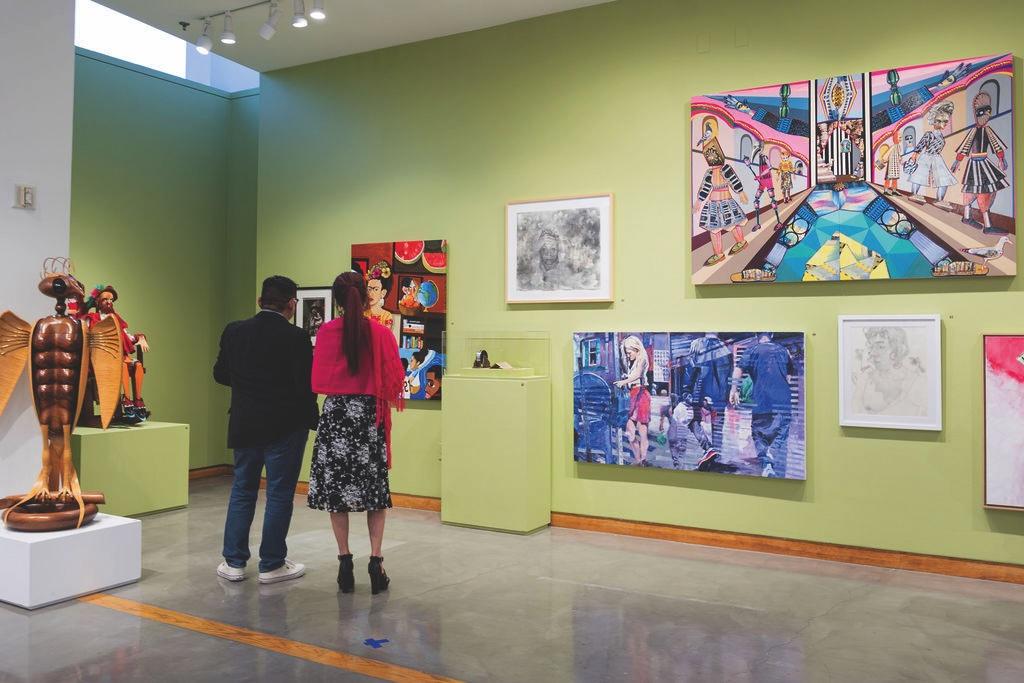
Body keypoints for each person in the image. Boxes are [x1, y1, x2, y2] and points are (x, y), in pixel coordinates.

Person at [213, 276, 318, 584]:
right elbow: (305, 386)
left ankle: (233, 562)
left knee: (243, 490)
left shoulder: (235, 331)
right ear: (291, 304)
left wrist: (248, 387)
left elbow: (220, 374)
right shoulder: (297, 338)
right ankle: (271, 564)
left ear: (260, 302)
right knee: (279, 494)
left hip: (245, 422)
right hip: (285, 426)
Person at [308, 271, 404, 594]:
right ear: (366, 296)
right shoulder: (381, 334)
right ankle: (376, 562)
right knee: (375, 493)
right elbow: (394, 382)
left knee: (337, 493)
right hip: (368, 418)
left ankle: (344, 562)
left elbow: (317, 381)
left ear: (336, 300)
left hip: (336, 418)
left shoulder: (325, 333)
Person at [730, 333, 795, 478]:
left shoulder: (751, 351)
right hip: (782, 402)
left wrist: (734, 390)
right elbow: (789, 375)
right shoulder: (784, 351)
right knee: (781, 432)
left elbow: (738, 369)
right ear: (771, 334)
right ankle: (772, 456)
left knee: (759, 435)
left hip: (761, 401)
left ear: (756, 335)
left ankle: (766, 463)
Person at [953, 92, 1009, 232]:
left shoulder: (984, 130)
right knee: (983, 190)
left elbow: (996, 145)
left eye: (986, 113)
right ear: (976, 114)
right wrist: (957, 162)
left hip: (979, 163)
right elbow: (965, 147)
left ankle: (968, 217)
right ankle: (987, 226)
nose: (984, 117)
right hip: (978, 164)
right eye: (981, 113)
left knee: (976, 189)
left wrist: (1001, 158)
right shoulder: (975, 131)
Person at [682, 333, 732, 471]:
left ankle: (708, 448)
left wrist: (686, 392)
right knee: (718, 427)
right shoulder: (725, 349)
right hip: (720, 397)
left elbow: (690, 371)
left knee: (692, 420)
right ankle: (716, 456)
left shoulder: (698, 345)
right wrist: (727, 396)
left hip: (700, 394)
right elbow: (728, 377)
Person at [907, 102, 957, 208]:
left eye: (944, 122)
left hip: (937, 158)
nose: (942, 124)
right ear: (933, 121)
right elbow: (920, 146)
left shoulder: (941, 136)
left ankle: (939, 200)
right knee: (918, 176)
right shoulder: (929, 134)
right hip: (926, 156)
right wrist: (914, 156)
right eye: (939, 121)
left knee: (944, 179)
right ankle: (914, 194)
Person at [614, 335, 651, 466]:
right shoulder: (633, 362)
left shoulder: (642, 358)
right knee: (630, 432)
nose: (628, 356)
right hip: (633, 394)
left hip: (641, 394)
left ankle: (642, 460)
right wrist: (626, 378)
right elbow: (632, 376)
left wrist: (623, 381)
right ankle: (638, 459)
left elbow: (637, 375)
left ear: (636, 349)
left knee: (642, 431)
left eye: (629, 353)